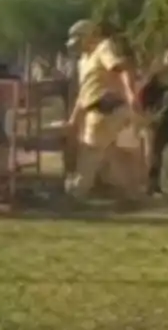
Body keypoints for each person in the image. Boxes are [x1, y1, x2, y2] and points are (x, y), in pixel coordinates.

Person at [64, 19, 141, 201]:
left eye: (79, 39)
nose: (77, 46)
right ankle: (132, 194)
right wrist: (74, 119)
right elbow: (84, 93)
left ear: (89, 36)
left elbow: (121, 68)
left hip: (107, 109)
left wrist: (130, 93)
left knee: (90, 152)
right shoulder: (83, 60)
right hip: (95, 110)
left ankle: (77, 193)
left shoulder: (104, 48)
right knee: (112, 155)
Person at [139, 46, 168, 198]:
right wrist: (147, 116)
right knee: (155, 156)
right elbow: (142, 97)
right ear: (163, 58)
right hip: (158, 120)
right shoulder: (155, 77)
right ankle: (153, 188)